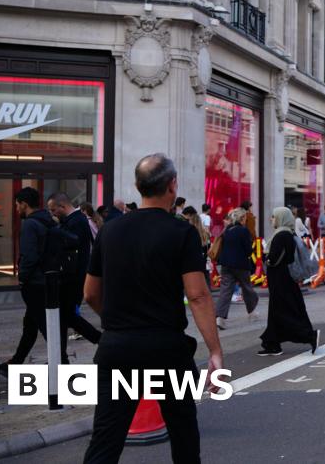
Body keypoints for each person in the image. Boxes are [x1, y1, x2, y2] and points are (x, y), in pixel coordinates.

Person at [82, 154, 222, 462]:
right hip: (166, 348)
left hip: (117, 347)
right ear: (172, 185)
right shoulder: (181, 232)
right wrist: (214, 351)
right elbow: (198, 296)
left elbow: (90, 293)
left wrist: (117, 323)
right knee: (183, 431)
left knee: (106, 438)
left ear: (137, 186)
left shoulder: (109, 231)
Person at [2, 187, 68, 372]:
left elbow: (29, 256)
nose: (16, 209)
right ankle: (15, 363)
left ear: (24, 204)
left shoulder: (30, 224)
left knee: (46, 326)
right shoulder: (48, 221)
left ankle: (62, 365)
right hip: (48, 280)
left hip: (35, 283)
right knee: (31, 325)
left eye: (17, 205)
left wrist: (22, 278)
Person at [258, 207, 319, 356]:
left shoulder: (281, 235)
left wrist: (266, 259)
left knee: (283, 311)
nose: (271, 219)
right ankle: (272, 343)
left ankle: (309, 336)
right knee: (280, 310)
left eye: (273, 216)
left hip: (281, 279)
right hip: (284, 279)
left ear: (281, 218)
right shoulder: (287, 234)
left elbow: (274, 258)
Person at [47, 192, 103, 346]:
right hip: (71, 276)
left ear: (62, 206)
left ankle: (100, 339)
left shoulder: (77, 220)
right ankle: (61, 357)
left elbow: (72, 243)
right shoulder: (73, 219)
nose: (52, 214)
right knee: (65, 316)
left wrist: (54, 228)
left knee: (67, 315)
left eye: (53, 210)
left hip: (74, 278)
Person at [214, 208, 259, 329]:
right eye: (244, 218)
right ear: (241, 218)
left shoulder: (227, 230)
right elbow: (248, 250)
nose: (245, 220)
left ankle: (220, 317)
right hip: (241, 265)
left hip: (226, 264)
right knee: (247, 288)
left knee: (225, 290)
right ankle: (252, 311)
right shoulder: (243, 231)